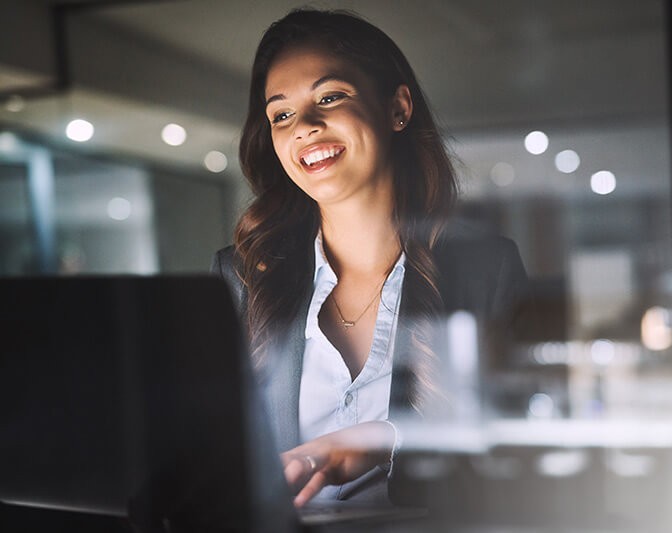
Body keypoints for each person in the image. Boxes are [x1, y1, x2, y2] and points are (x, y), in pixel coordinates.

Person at [211, 8, 527, 508]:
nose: (305, 127)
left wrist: (387, 438)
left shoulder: (484, 267)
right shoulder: (242, 277)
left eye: (330, 97)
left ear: (398, 109)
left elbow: (516, 445)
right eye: (282, 114)